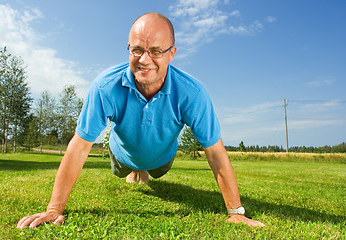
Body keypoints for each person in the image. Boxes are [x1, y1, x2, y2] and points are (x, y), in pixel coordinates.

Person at [17, 12, 265, 229]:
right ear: (128, 48)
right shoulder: (105, 87)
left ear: (172, 54)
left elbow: (215, 153)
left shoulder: (193, 92)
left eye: (156, 51)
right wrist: (54, 209)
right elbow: (79, 146)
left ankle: (144, 168)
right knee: (123, 169)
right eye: (137, 49)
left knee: (155, 171)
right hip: (121, 154)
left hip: (162, 159)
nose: (144, 59)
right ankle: (134, 168)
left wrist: (235, 212)